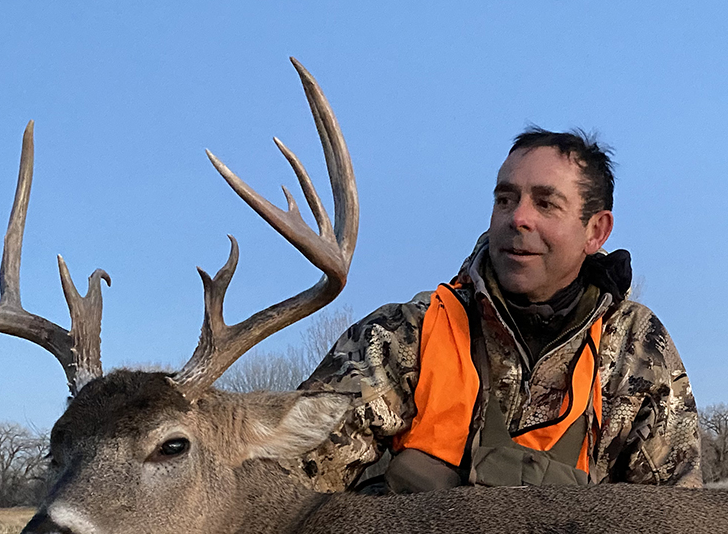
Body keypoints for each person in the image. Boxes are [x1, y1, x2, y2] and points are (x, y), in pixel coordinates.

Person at [300, 128, 701, 493]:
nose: (518, 218)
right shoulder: (407, 333)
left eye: (546, 203)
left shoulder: (637, 349)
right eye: (505, 200)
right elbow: (295, 479)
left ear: (595, 231)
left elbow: (675, 521)